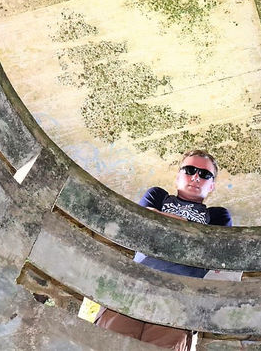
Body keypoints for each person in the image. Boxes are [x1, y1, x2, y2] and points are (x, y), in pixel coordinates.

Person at [95, 149, 232, 350]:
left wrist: (161, 219)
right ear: (177, 177)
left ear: (212, 186)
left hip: (179, 299)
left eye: (204, 174)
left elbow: (216, 251)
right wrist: (193, 231)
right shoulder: (157, 195)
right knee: (108, 345)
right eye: (189, 170)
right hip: (133, 285)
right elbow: (141, 225)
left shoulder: (219, 215)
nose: (195, 177)